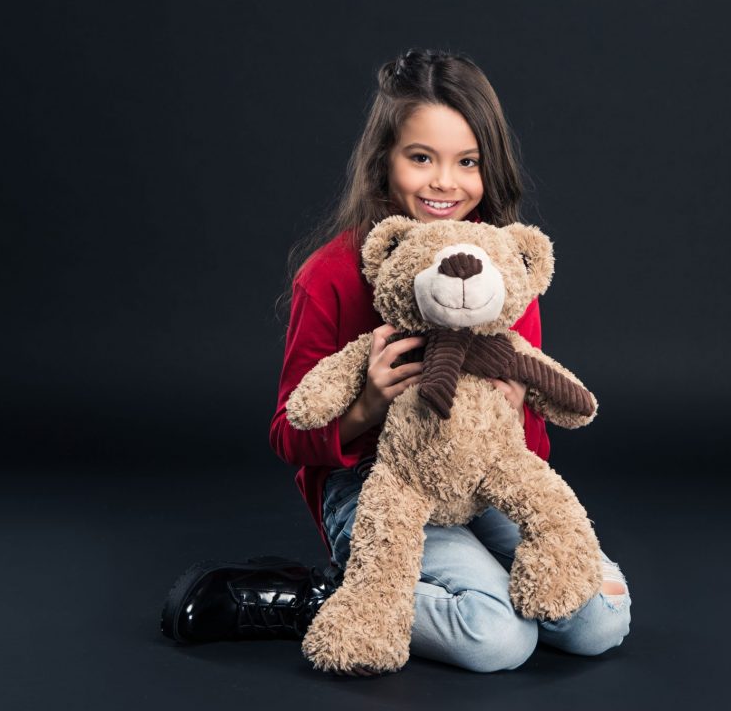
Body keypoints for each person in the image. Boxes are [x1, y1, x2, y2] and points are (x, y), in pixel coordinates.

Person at [161, 48, 631, 674]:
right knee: (497, 638)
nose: (445, 182)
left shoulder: (499, 271)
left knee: (599, 622)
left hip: (481, 477)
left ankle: (472, 578)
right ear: (383, 161)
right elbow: (288, 433)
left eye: (467, 162)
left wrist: (518, 411)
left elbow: (532, 445)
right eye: (421, 158)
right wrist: (365, 406)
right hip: (378, 489)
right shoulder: (329, 275)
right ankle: (328, 596)